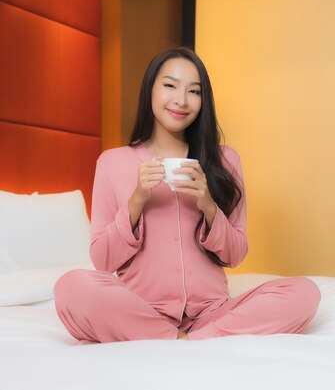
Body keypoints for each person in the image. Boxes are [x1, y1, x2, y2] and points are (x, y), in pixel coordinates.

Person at [54, 47, 320, 343]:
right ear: (150, 90)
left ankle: (189, 340)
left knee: (305, 293)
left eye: (194, 91)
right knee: (70, 287)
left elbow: (236, 254)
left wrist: (209, 205)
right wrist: (136, 201)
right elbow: (102, 261)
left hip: (213, 313)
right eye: (170, 86)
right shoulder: (112, 162)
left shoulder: (225, 160)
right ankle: (178, 338)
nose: (181, 100)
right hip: (141, 311)